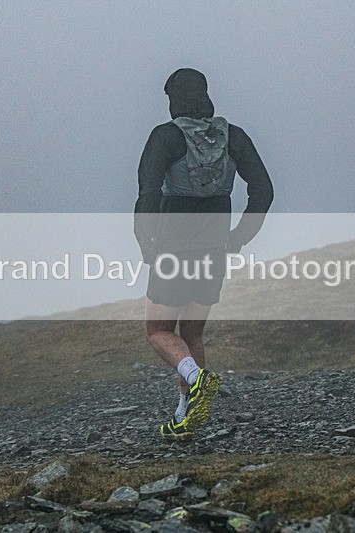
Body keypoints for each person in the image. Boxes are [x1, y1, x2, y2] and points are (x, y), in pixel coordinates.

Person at [134, 68, 273, 440]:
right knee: (192, 331)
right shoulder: (235, 137)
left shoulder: (165, 137)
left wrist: (146, 241)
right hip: (215, 249)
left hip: (172, 247)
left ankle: (197, 379)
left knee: (159, 331)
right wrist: (239, 237)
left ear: (174, 99)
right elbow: (263, 190)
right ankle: (185, 414)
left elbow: (148, 194)